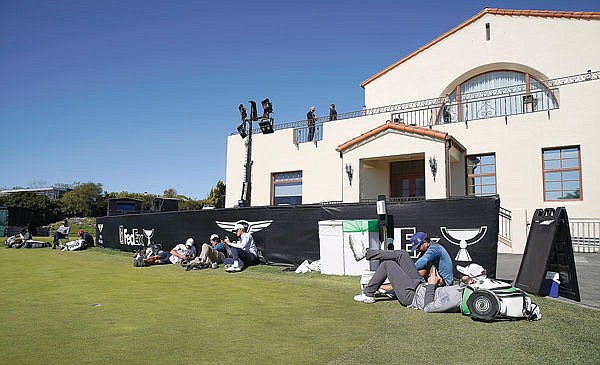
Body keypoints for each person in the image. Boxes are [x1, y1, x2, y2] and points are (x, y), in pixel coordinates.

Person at [353, 248, 472, 313]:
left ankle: (368, 294)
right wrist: (463, 282)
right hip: (420, 285)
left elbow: (428, 307)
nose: (464, 276)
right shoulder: (464, 289)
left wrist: (431, 285)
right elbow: (451, 290)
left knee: (387, 264)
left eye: (468, 276)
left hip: (411, 297)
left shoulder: (458, 300)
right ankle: (365, 253)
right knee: (402, 254)